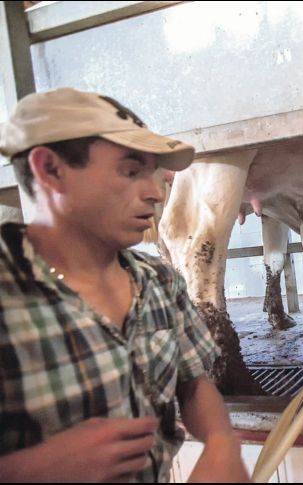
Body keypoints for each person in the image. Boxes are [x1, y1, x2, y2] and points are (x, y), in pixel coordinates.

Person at [0, 88, 249, 482]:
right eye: (131, 172)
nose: (155, 192)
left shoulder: (158, 281)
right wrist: (28, 470)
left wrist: (221, 443)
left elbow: (193, 384)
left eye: (154, 174)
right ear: (50, 169)